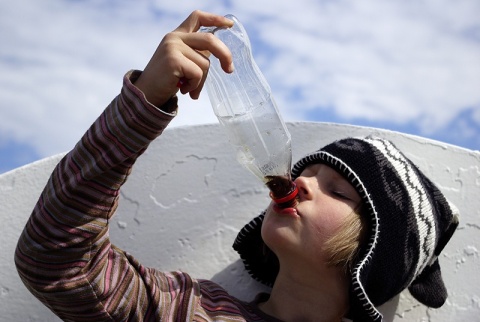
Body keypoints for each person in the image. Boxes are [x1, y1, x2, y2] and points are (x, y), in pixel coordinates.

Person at [15, 10, 459, 322]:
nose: (302, 182)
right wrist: (145, 103)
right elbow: (56, 261)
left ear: (373, 254)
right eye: (307, 171)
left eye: (338, 191)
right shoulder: (185, 310)